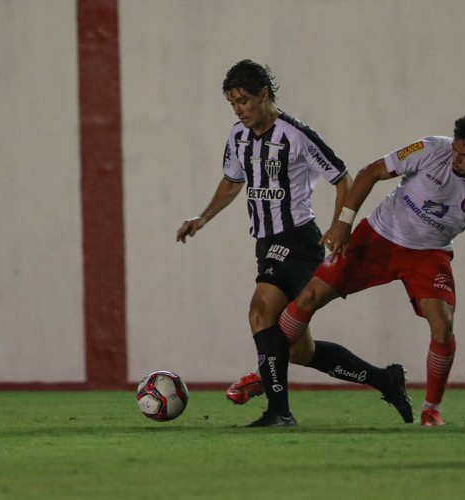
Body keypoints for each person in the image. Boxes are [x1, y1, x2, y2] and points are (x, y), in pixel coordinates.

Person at [228, 113, 465, 427]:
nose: (457, 160)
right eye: (456, 151)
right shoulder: (430, 149)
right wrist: (344, 223)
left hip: (428, 255)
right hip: (377, 238)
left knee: (443, 323)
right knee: (308, 298)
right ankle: (264, 376)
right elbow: (370, 173)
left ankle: (431, 410)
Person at [176, 60, 413, 427]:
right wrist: (202, 218)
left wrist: (340, 225)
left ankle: (279, 412)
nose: (239, 109)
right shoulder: (237, 137)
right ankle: (384, 379)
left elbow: (342, 177)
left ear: (264, 95)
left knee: (260, 312)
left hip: (297, 239)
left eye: (244, 100)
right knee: (300, 350)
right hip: (265, 242)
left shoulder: (296, 134)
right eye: (232, 103)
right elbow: (232, 182)